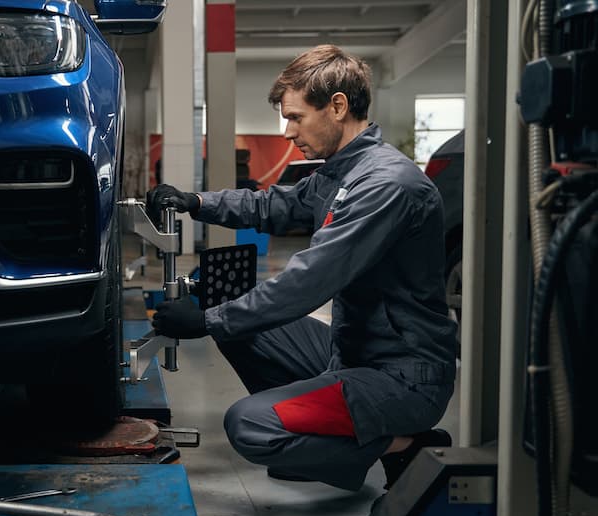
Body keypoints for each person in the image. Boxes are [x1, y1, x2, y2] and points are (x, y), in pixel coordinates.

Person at [145, 45, 457, 493]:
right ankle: (324, 434)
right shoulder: (339, 173)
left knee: (249, 425)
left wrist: (207, 322)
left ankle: (401, 445)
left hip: (403, 377)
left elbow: (308, 280)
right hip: (350, 354)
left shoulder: (386, 184)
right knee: (233, 313)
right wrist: (196, 203)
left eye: (295, 117)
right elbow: (274, 204)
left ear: (337, 106)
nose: (288, 132)